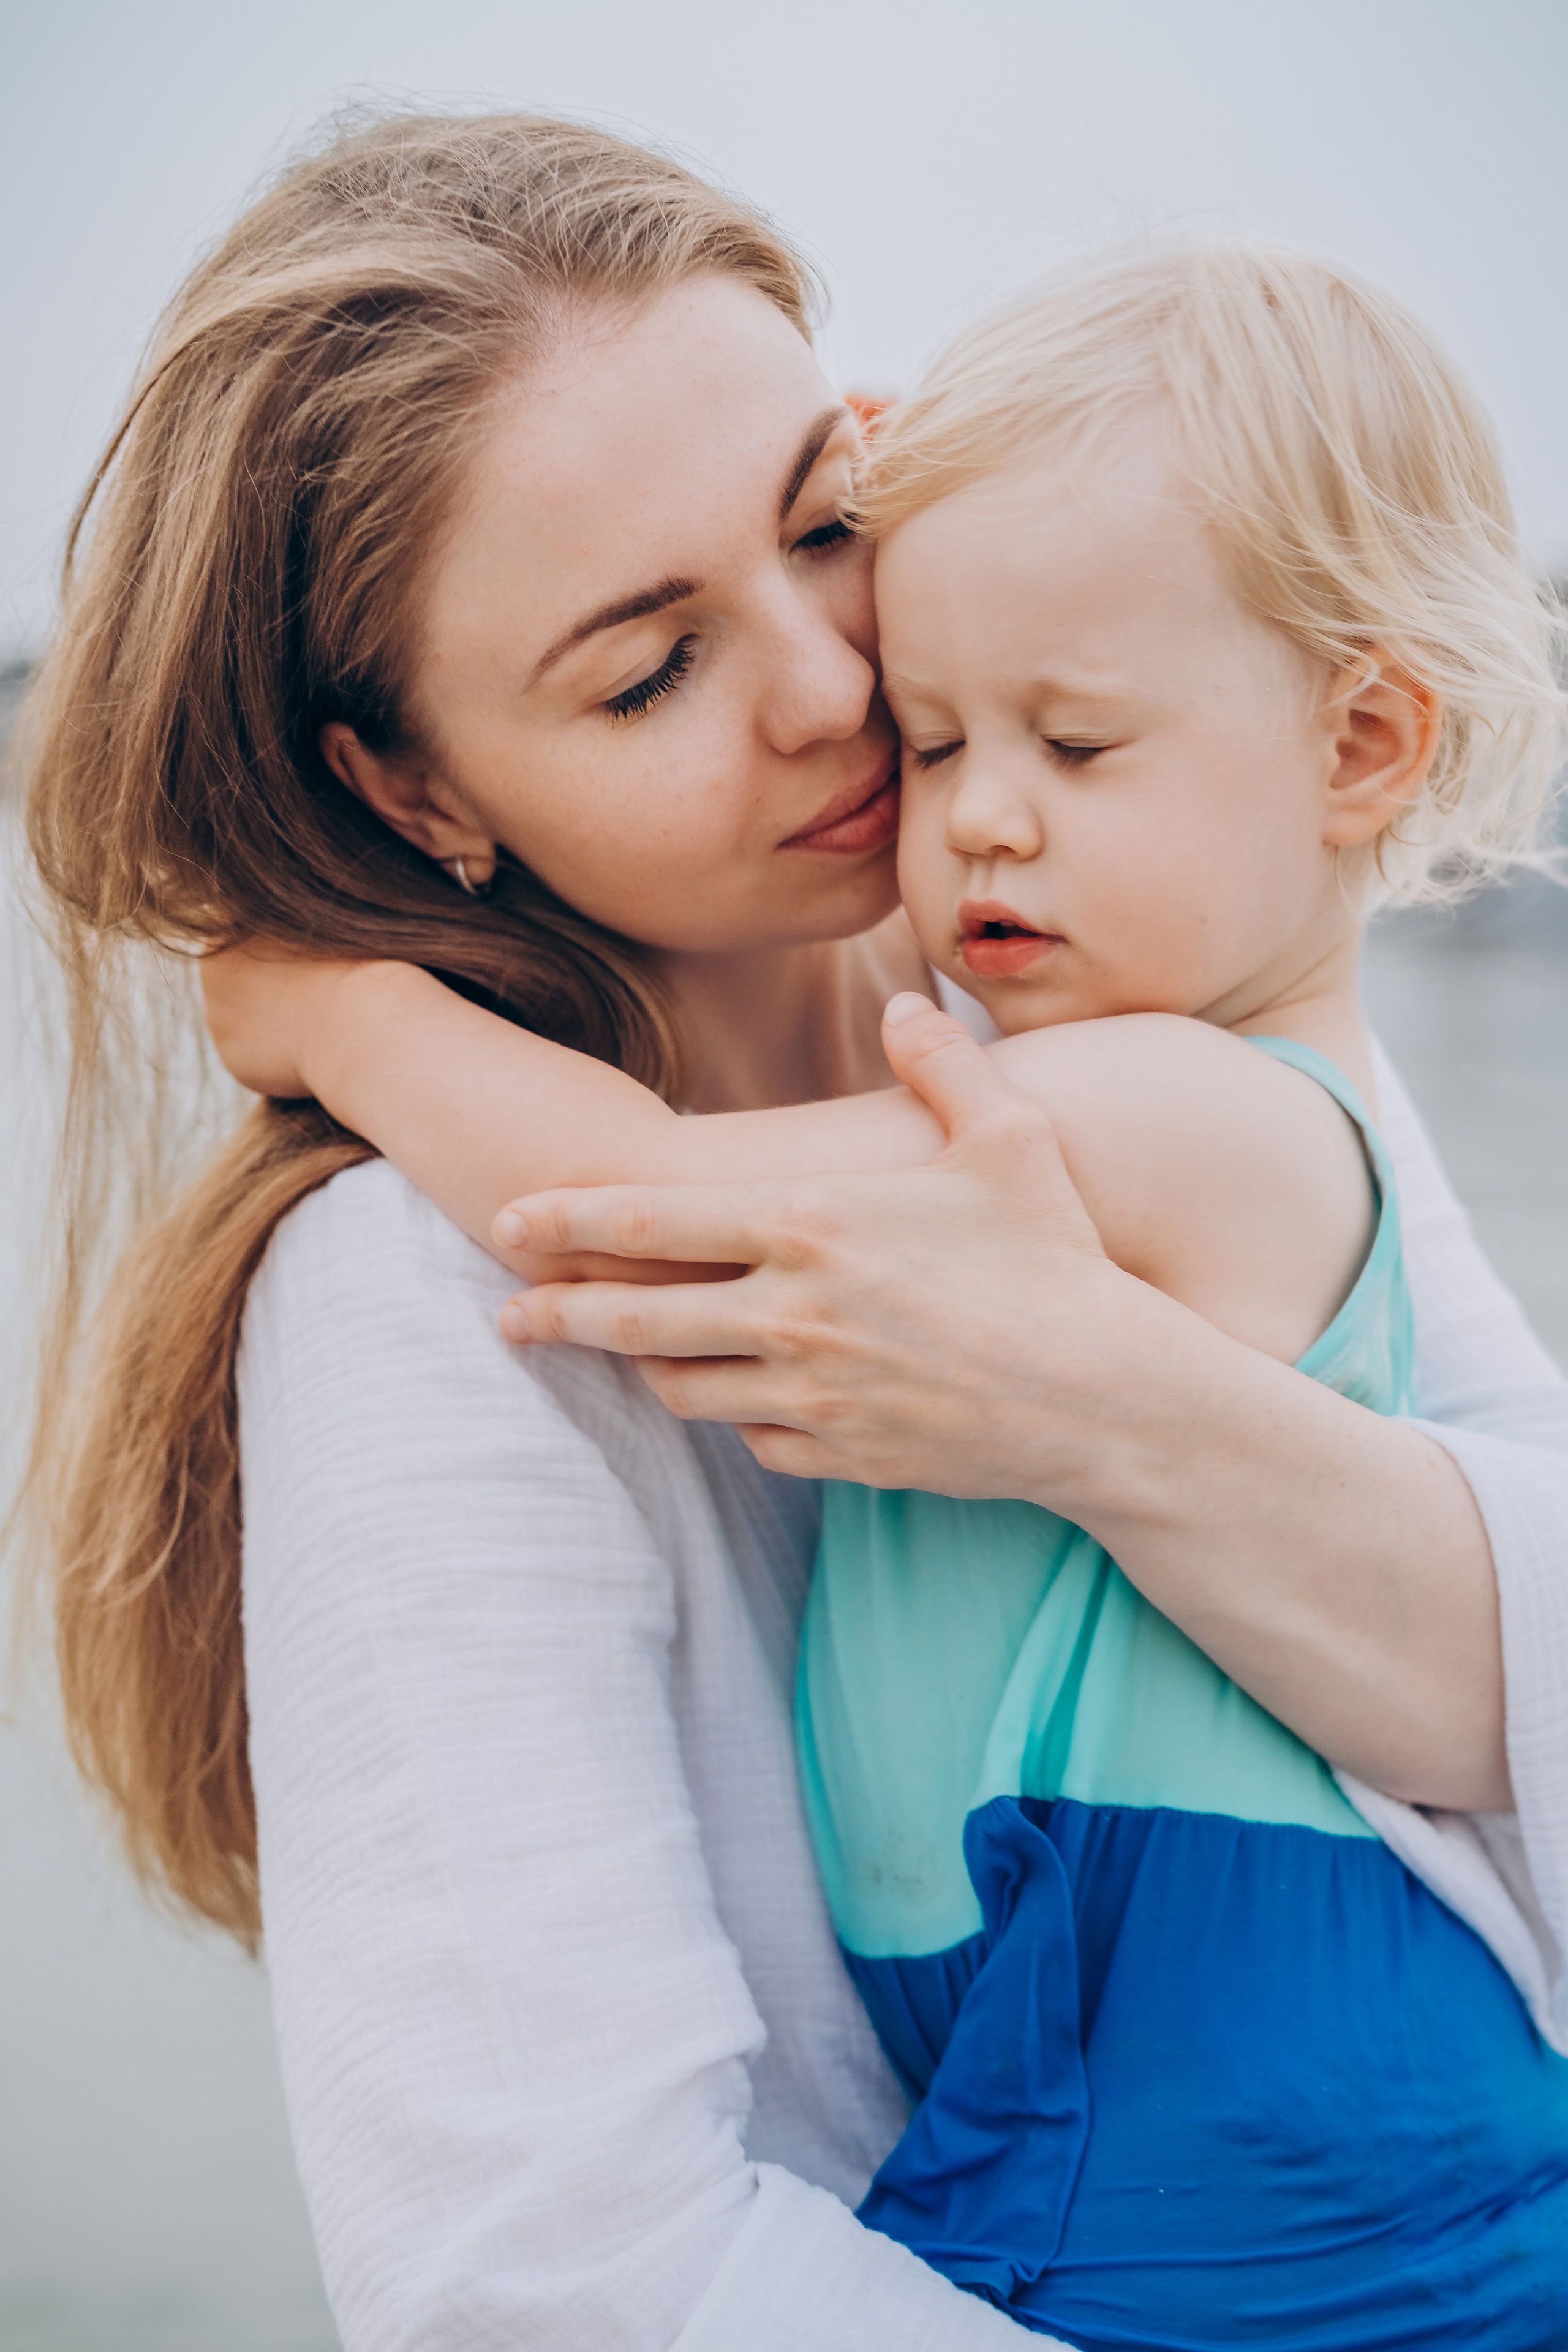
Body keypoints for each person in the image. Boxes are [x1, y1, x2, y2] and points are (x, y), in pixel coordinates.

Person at [21, 110, 1567, 2350]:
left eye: (826, 527)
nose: (839, 691)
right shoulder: (417, 1292)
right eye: (647, 670)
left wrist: (1109, 1406)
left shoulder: (1091, 981)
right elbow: (549, 2280)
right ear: (416, 789)